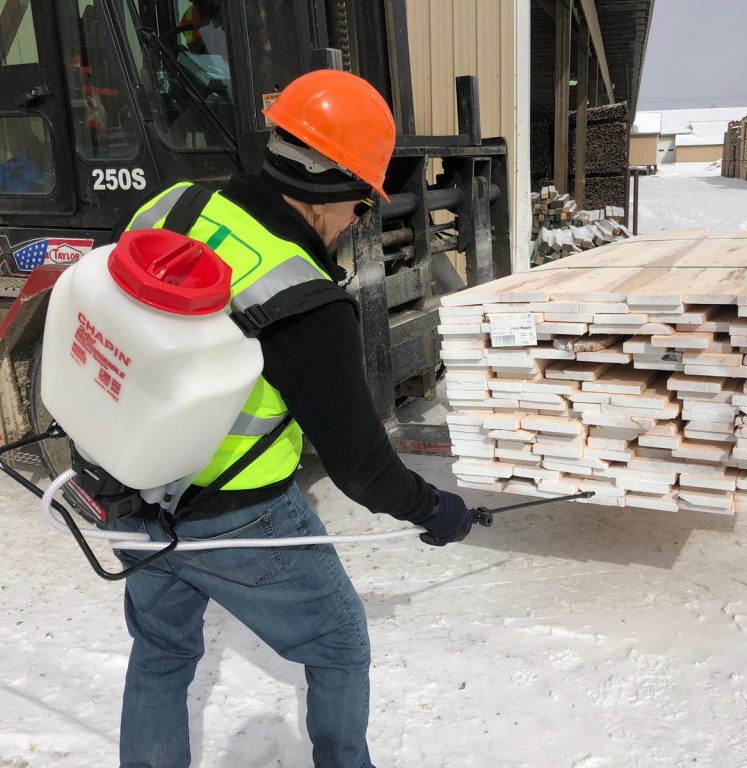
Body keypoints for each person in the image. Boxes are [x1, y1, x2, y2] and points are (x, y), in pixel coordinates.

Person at [107, 69, 473, 768]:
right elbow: (363, 470)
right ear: (336, 193)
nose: (357, 223)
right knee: (338, 645)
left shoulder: (173, 206)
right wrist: (438, 510)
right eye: (363, 205)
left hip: (124, 484)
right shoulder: (306, 302)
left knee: (161, 649)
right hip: (237, 517)